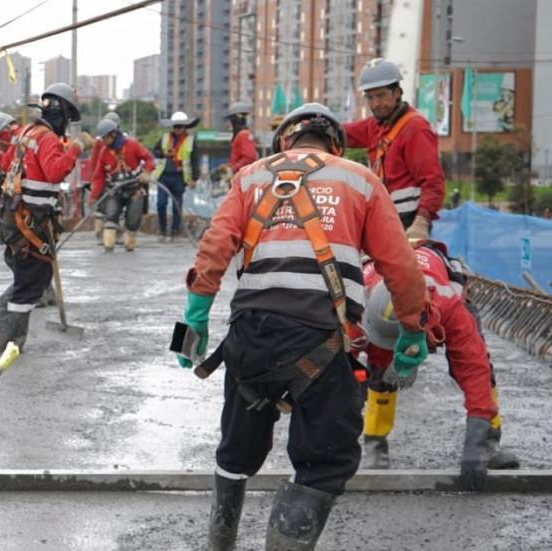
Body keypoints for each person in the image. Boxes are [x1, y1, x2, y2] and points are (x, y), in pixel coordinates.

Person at [175, 103, 431, 550]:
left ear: (285, 141)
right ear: (335, 142)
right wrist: (412, 330)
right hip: (322, 341)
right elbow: (401, 267)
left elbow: (214, 247)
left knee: (237, 450)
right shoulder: (360, 180)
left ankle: (220, 542)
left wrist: (192, 322)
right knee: (324, 461)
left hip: (249, 337)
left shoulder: (252, 176)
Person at [359, 240, 519, 488]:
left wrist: (475, 439)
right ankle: (374, 445)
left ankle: (489, 440)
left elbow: (474, 369)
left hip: (438, 295)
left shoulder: (451, 306)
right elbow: (342, 365)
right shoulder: (358, 297)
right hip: (382, 300)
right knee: (379, 372)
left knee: (481, 369)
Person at [0, 82, 91, 351]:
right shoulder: (47, 138)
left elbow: (9, 166)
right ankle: (9, 344)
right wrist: (76, 148)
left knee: (26, 280)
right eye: (69, 119)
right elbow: (54, 172)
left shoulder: (27, 132)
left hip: (14, 219)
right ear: (61, 113)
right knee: (30, 284)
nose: (68, 126)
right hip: (28, 223)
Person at [343, 58, 446, 240]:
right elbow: (343, 133)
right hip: (383, 218)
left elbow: (433, 183)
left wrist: (421, 222)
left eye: (381, 95)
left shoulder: (415, 129)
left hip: (408, 223)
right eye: (370, 97)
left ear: (397, 93)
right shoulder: (376, 126)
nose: (375, 104)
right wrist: (309, 125)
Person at [90, 117, 154, 252]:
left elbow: (148, 158)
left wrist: (147, 173)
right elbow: (99, 177)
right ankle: (108, 246)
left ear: (113, 134)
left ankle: (129, 242)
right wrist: (94, 196)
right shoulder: (104, 152)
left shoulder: (132, 145)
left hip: (135, 189)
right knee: (111, 216)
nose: (103, 141)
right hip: (115, 190)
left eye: (105, 138)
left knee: (132, 221)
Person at [151, 111, 200, 242]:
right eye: (175, 126)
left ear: (185, 127)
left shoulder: (190, 141)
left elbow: (195, 160)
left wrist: (194, 178)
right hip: (164, 176)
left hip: (179, 177)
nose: (177, 129)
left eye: (180, 126)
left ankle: (175, 230)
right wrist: (163, 153)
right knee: (161, 204)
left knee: (177, 206)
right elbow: (154, 151)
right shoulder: (165, 138)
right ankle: (162, 228)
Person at [86, 112, 120, 240]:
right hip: (103, 177)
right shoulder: (100, 142)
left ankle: (112, 232)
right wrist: (93, 180)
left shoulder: (121, 140)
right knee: (102, 205)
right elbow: (94, 162)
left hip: (116, 178)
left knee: (116, 205)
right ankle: (101, 233)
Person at [226, 101, 258, 173]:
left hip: (243, 176)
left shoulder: (243, 135)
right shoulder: (241, 135)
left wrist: (233, 169)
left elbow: (250, 158)